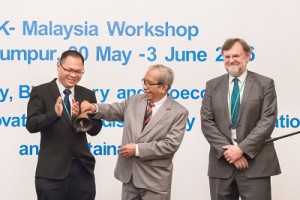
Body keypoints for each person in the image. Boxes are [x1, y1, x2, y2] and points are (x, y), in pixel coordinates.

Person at [81, 64, 189, 200]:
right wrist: (94, 108)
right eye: (144, 81)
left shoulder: (178, 112)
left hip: (155, 182)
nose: (144, 87)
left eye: (149, 83)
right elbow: (113, 110)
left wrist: (137, 150)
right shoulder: (135, 100)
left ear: (164, 87)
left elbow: (170, 145)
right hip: (129, 177)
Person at [200, 38, 281, 200]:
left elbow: (268, 120)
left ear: (248, 56)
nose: (231, 61)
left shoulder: (265, 84)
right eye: (227, 57)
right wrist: (230, 151)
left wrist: (241, 149)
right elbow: (207, 122)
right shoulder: (212, 85)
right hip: (222, 165)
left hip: (255, 164)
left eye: (236, 56)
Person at [26, 50, 102, 200]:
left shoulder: (87, 94)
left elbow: (95, 129)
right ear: (58, 66)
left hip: (82, 172)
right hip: (51, 174)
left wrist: (79, 117)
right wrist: (53, 115)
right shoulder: (41, 92)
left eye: (78, 72)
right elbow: (31, 124)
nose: (73, 75)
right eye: (69, 70)